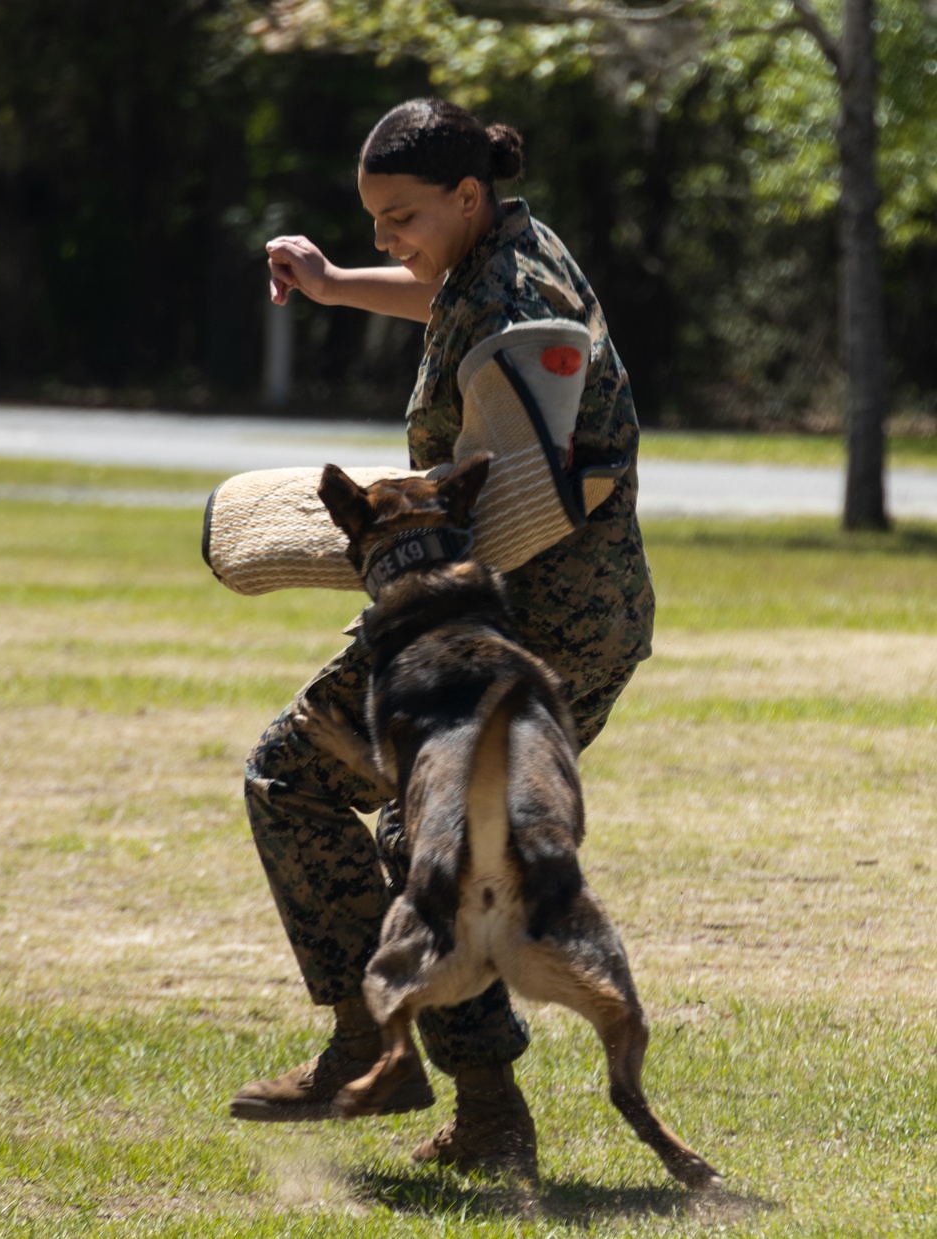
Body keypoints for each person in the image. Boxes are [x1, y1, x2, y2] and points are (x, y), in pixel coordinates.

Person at [230, 98, 655, 1180]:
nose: (386, 240)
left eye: (401, 217)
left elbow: (525, 494)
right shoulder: (494, 255)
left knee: (294, 780)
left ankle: (384, 1053)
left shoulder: (525, 298)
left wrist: (383, 539)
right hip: (514, 612)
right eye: (372, 220)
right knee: (434, 847)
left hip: (526, 621)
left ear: (466, 195)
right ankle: (480, 1111)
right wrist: (333, 284)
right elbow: (445, 298)